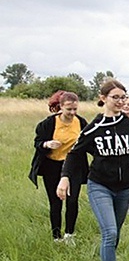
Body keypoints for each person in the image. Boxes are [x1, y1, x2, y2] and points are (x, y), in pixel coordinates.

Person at [57, 79, 129, 261]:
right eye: (115, 97)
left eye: (123, 97)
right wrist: (65, 177)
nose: (120, 101)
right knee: (110, 232)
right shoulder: (94, 128)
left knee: (115, 231)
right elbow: (74, 154)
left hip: (124, 187)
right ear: (103, 99)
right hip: (100, 186)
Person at [29, 91, 88, 244]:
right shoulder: (48, 124)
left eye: (75, 109)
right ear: (61, 107)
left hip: (74, 166)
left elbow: (89, 142)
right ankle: (56, 236)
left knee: (72, 200)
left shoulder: (81, 122)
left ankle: (69, 235)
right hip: (52, 166)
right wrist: (47, 144)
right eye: (69, 109)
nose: (72, 113)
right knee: (55, 202)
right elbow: (38, 142)